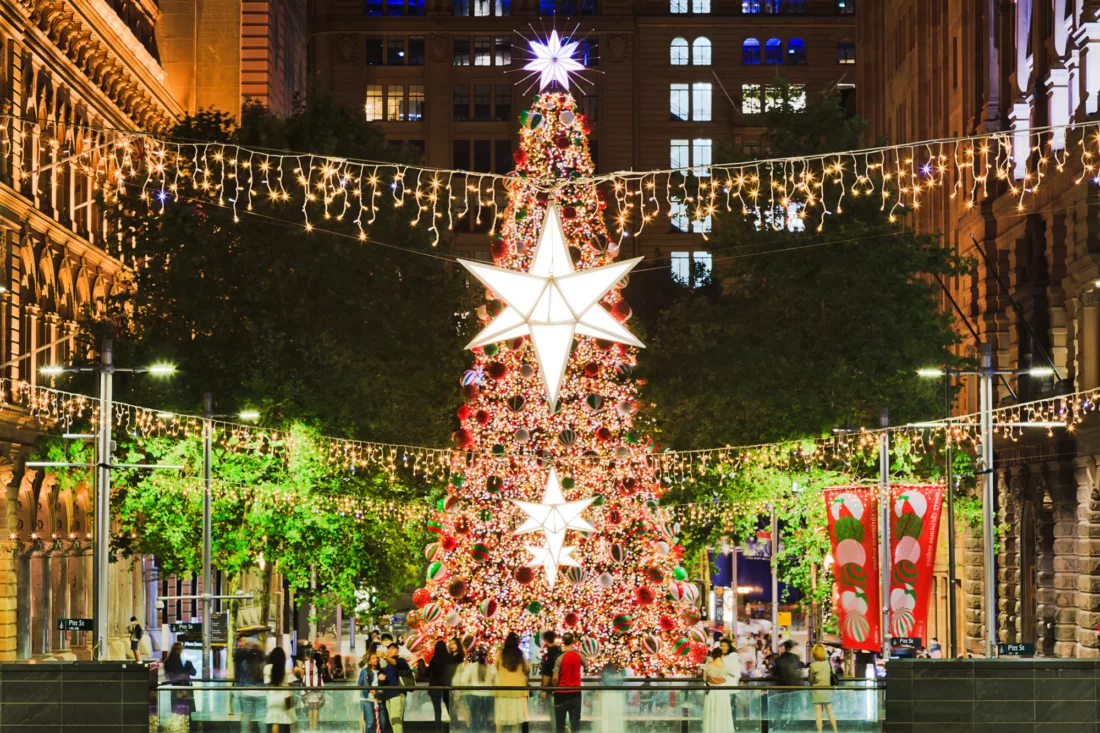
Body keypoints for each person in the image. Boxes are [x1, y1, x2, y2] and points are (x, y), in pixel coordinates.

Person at [494, 632, 529, 733]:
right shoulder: (520, 654)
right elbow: (527, 668)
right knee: (516, 720)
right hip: (518, 690)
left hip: (502, 689)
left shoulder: (500, 654)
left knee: (500, 718)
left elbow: (495, 668)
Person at [551, 632, 583, 733]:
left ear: (563, 641)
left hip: (561, 693)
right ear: (573, 641)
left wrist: (554, 688)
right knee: (575, 723)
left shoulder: (559, 657)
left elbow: (555, 678)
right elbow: (586, 664)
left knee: (560, 723)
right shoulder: (579, 655)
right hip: (576, 693)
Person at [457, 647, 495, 733]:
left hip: (474, 696)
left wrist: (470, 686)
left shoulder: (471, 667)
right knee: (485, 717)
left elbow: (463, 680)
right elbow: (497, 682)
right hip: (488, 696)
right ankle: (485, 727)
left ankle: (473, 730)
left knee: (474, 717)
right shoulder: (491, 668)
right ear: (486, 657)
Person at [235, 642, 268, 733]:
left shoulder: (244, 662)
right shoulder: (264, 663)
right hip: (261, 692)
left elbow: (241, 679)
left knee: (246, 715)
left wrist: (239, 689)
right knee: (261, 716)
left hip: (246, 691)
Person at [381, 642, 413, 733]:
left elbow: (395, 663)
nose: (390, 651)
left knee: (396, 719)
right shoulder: (388, 664)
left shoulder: (400, 660)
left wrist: (385, 656)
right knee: (392, 719)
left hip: (397, 693)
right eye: (389, 649)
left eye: (392, 649)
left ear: (397, 650)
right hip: (388, 695)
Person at [265, 647, 297, 733]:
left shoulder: (267, 668)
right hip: (285, 697)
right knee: (287, 721)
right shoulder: (288, 668)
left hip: (272, 697)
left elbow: (267, 683)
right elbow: (290, 684)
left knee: (275, 722)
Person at [163, 642, 197, 720]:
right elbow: (194, 673)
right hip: (186, 688)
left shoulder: (167, 662)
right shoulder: (185, 662)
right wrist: (189, 667)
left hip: (175, 690)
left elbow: (168, 677)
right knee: (188, 713)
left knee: (177, 713)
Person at [808, 644, 838, 733]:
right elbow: (833, 674)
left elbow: (810, 680)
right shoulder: (829, 664)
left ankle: (820, 732)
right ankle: (836, 731)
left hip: (817, 691)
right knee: (830, 713)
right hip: (827, 691)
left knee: (818, 715)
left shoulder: (813, 665)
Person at [703, 648, 734, 733]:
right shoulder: (724, 667)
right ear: (721, 656)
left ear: (712, 655)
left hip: (711, 691)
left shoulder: (708, 665)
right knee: (722, 712)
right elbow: (733, 675)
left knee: (711, 712)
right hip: (722, 691)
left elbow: (705, 678)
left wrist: (712, 679)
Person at [538, 631, 563, 732]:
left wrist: (544, 689)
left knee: (553, 714)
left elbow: (547, 674)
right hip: (563, 688)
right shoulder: (561, 653)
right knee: (561, 714)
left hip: (551, 689)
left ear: (546, 641)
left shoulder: (548, 656)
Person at [428, 639, 454, 732]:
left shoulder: (434, 660)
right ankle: (450, 729)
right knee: (449, 709)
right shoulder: (449, 658)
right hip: (447, 687)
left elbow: (428, 673)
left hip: (434, 687)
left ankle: (438, 729)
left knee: (437, 711)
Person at [358, 652, 386, 733]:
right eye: (373, 658)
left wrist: (379, 688)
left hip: (379, 698)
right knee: (370, 722)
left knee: (382, 722)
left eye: (377, 658)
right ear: (369, 661)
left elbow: (386, 685)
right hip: (367, 699)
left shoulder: (382, 671)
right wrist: (369, 690)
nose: (376, 659)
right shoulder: (364, 671)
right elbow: (359, 684)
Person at [596, 662, 625, 733]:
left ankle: (606, 730)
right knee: (615, 715)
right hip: (616, 696)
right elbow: (621, 684)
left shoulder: (603, 675)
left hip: (605, 695)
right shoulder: (617, 676)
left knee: (606, 715)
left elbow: (601, 685)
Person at [302, 651, 327, 731]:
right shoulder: (320, 663)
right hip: (318, 688)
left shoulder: (305, 663)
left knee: (310, 708)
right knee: (316, 708)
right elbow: (325, 675)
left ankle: (310, 727)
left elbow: (302, 675)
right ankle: (315, 728)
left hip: (308, 688)